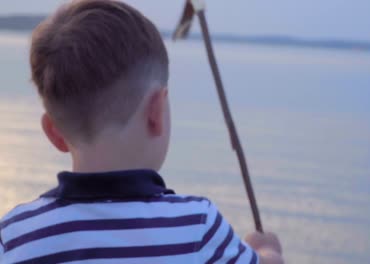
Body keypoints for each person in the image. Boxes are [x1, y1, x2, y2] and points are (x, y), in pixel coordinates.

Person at [0, 0, 283, 263]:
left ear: (54, 131)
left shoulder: (14, 236)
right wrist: (267, 252)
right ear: (156, 111)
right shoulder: (198, 227)